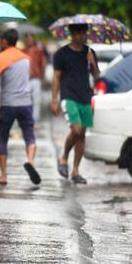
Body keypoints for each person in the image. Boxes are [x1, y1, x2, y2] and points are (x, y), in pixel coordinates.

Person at [0, 29, 41, 186]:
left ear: (4, 41)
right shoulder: (25, 59)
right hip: (25, 104)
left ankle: (3, 176)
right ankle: (30, 161)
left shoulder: (1, 60)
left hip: (8, 105)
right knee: (29, 136)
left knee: (3, 140)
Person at [51, 23, 99, 184]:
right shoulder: (61, 54)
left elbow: (96, 75)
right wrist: (54, 100)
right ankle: (64, 157)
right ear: (71, 34)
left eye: (83, 33)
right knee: (76, 129)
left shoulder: (90, 52)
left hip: (85, 96)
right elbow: (56, 77)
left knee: (82, 134)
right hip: (68, 96)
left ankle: (76, 171)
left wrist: (92, 62)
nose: (81, 36)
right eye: (77, 33)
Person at [22, 33, 47, 123]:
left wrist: (43, 77)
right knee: (25, 99)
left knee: (36, 100)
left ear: (34, 40)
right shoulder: (22, 51)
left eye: (31, 39)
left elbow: (43, 63)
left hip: (36, 78)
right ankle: (26, 118)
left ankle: (35, 119)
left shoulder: (38, 51)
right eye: (27, 39)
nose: (29, 41)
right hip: (25, 79)